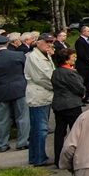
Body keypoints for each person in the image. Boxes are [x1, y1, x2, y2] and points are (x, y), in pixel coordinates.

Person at [0, 35, 29, 153]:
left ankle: (1, 144)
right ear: (7, 44)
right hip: (19, 89)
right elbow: (25, 70)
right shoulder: (19, 55)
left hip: (0, 91)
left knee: (2, 120)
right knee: (22, 117)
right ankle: (22, 142)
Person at [51, 44, 86, 168]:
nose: (75, 59)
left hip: (58, 105)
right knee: (76, 132)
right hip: (71, 105)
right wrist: (83, 92)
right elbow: (79, 87)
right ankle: (76, 157)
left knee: (59, 132)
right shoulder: (70, 73)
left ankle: (58, 158)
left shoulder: (56, 72)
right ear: (66, 60)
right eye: (73, 57)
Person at [24, 32, 56, 167]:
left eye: (51, 42)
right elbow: (41, 78)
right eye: (47, 42)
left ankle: (34, 156)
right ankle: (39, 158)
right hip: (39, 95)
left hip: (44, 95)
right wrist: (56, 86)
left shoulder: (46, 55)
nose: (49, 44)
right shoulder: (34, 57)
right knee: (40, 129)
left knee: (37, 128)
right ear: (38, 42)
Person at [75, 25, 89, 96]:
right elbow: (81, 53)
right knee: (84, 81)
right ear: (83, 32)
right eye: (88, 31)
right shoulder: (79, 41)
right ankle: (84, 96)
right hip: (83, 65)